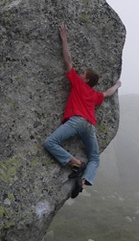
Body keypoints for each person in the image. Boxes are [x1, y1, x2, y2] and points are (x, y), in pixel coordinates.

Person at [44, 23, 121, 198]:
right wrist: (117, 85)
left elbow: (68, 60)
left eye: (83, 73)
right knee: (94, 158)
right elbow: (108, 93)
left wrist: (64, 39)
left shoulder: (78, 84)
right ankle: (83, 181)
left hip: (76, 121)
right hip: (89, 126)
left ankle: (76, 163)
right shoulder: (94, 95)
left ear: (85, 79)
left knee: (50, 143)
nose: (79, 74)